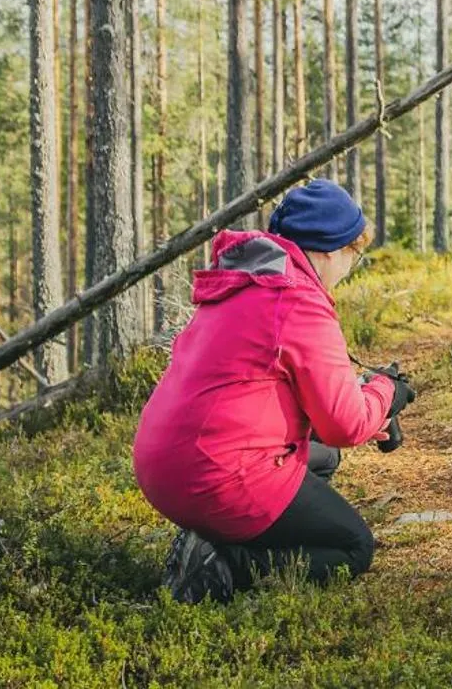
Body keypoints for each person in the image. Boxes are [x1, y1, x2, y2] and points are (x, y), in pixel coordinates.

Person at [132, 179, 414, 602]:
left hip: (166, 468)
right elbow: (344, 424)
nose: (350, 269)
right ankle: (223, 564)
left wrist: (363, 401)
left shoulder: (245, 283)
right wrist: (387, 393)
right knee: (352, 547)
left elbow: (265, 393)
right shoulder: (297, 301)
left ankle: (213, 538)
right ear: (330, 250)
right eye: (354, 257)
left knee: (321, 459)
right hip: (215, 476)